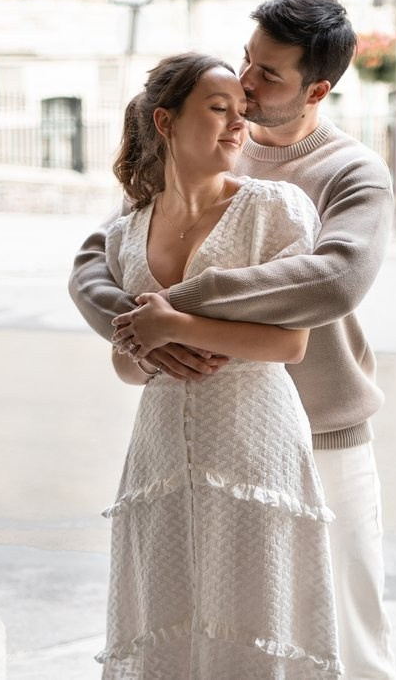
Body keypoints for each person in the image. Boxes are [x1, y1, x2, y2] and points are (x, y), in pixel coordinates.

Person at [72, 0, 396, 680]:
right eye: (248, 61)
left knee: (346, 637)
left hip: (321, 430)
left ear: (318, 89)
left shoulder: (350, 173)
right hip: (195, 437)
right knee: (202, 631)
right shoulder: (211, 152)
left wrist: (177, 310)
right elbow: (99, 258)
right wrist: (137, 334)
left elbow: (333, 279)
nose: (246, 84)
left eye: (268, 75)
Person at [96, 51, 342, 679]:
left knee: (251, 617)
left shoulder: (274, 208)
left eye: (242, 111)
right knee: (167, 614)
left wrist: (173, 326)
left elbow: (290, 344)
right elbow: (126, 368)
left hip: (252, 437)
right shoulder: (130, 231)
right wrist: (145, 348)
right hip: (158, 448)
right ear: (166, 121)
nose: (238, 124)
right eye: (218, 109)